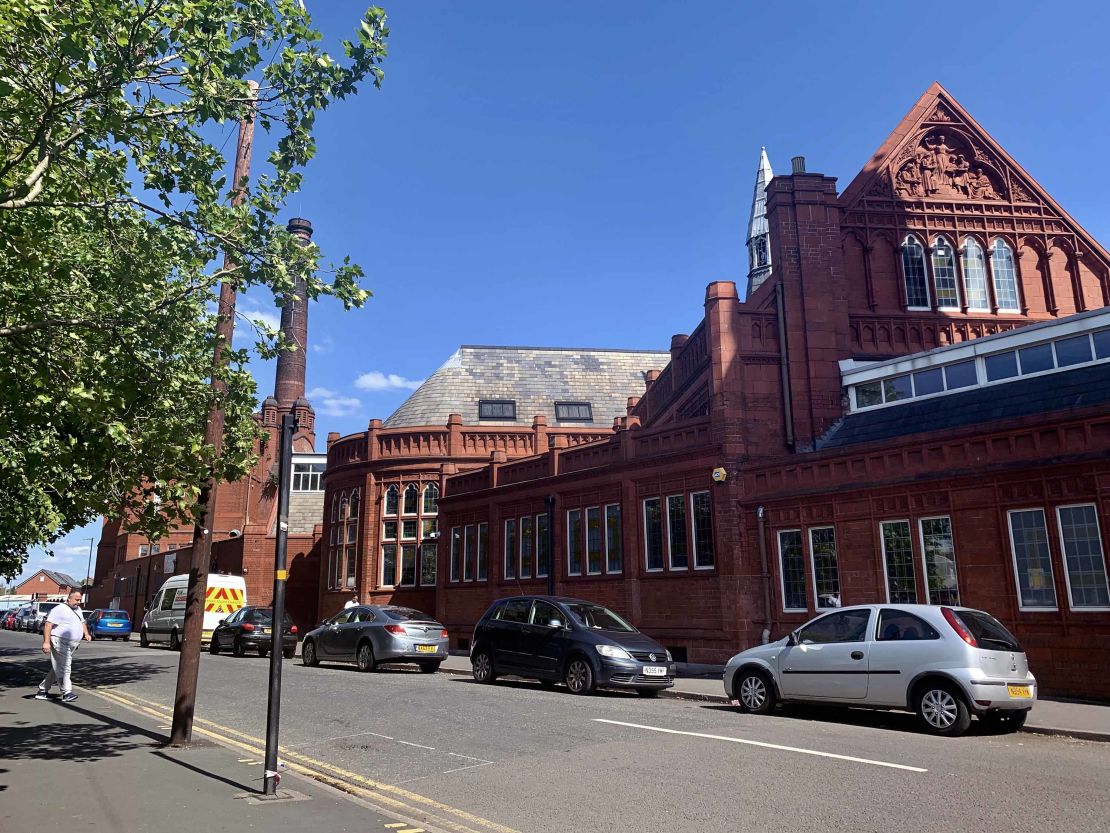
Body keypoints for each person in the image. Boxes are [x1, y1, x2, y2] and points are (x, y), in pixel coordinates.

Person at [36, 590, 91, 702]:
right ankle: (67, 692)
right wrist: (46, 642)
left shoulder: (78, 610)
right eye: (76, 600)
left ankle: (42, 690)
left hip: (72, 644)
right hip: (59, 641)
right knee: (65, 666)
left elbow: (82, 622)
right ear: (69, 598)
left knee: (58, 667)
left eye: (80, 600)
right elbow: (48, 625)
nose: (78, 602)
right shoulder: (59, 609)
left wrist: (86, 633)